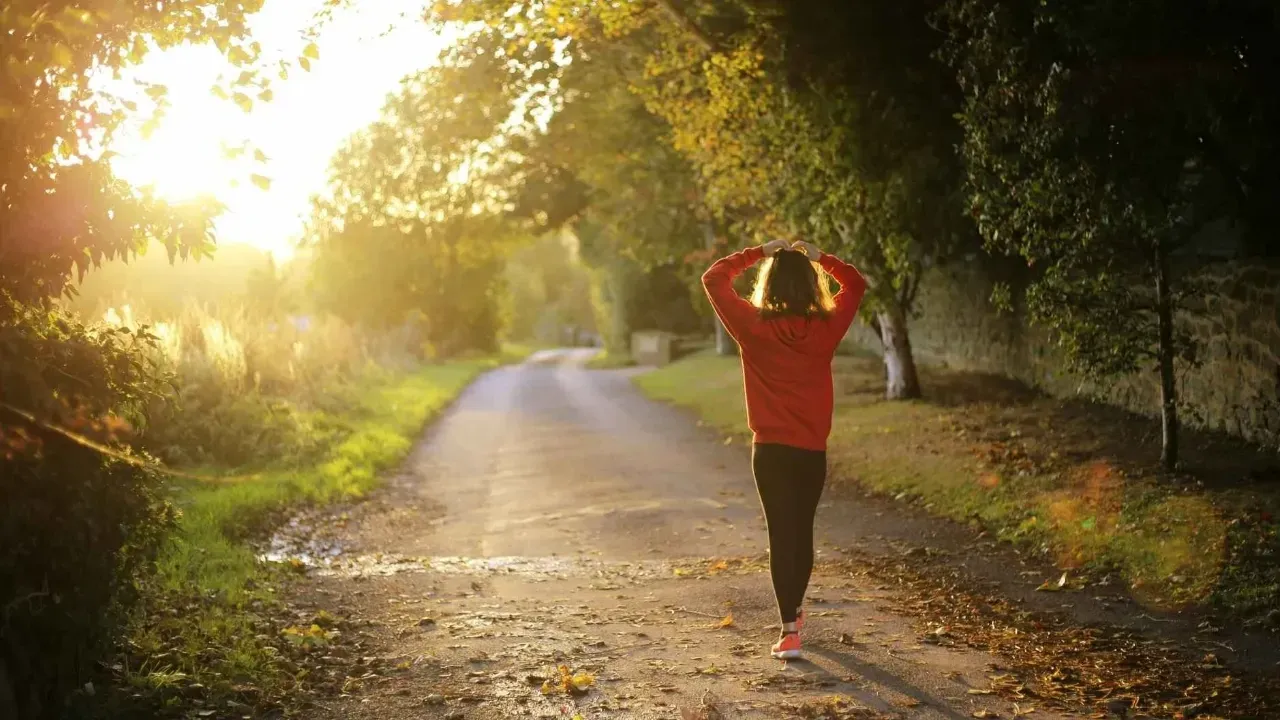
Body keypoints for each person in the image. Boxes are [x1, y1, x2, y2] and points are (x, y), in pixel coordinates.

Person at [701, 238, 867, 660]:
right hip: (811, 450)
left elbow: (714, 278)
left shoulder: (752, 326)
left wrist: (759, 251)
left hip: (770, 451)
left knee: (781, 534)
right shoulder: (826, 327)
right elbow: (856, 284)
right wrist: (820, 257)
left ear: (769, 284)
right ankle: (793, 613)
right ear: (811, 285)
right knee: (802, 531)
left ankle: (789, 629)